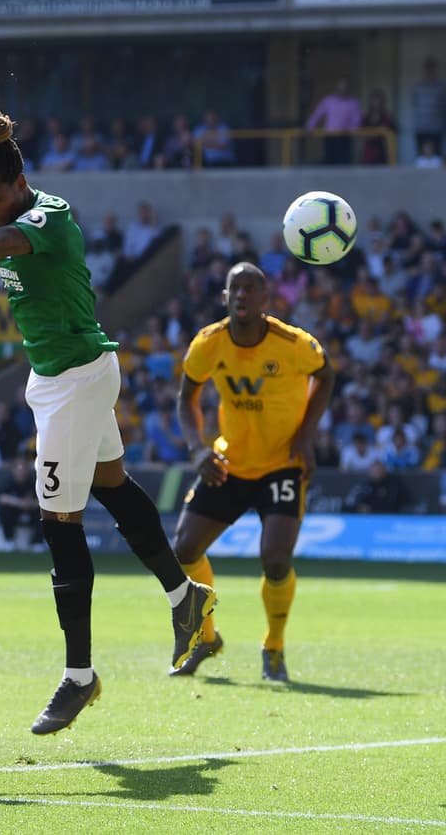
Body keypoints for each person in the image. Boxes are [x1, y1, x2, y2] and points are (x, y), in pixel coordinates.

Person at [0, 107, 215, 734]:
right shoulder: (18, 213)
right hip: (67, 375)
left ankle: (79, 676)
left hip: (75, 380)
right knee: (112, 487)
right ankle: (185, 598)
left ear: (17, 183)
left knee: (60, 524)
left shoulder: (45, 218)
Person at [171, 263, 335, 683]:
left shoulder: (293, 343)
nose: (242, 295)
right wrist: (196, 448)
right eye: (234, 289)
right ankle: (207, 638)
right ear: (225, 298)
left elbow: (325, 375)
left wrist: (305, 437)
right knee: (185, 548)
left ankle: (274, 648)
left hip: (282, 465)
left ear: (266, 300)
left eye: (250, 289)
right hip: (230, 463)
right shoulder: (209, 343)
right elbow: (187, 397)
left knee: (275, 558)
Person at [0, 458, 39, 552]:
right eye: (19, 469)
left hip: (31, 510)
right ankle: (9, 541)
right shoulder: (7, 481)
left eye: (24, 469)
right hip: (14, 510)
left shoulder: (34, 481)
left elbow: (44, 500)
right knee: (4, 510)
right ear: (14, 470)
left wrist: (31, 503)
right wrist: (20, 503)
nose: (22, 472)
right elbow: (2, 498)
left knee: (43, 512)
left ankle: (37, 542)